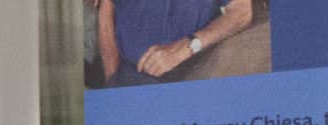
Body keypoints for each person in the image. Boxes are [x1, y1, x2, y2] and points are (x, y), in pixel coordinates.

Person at [96, 0, 256, 87]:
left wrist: (189, 45)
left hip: (199, 74)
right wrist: (112, 79)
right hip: (133, 78)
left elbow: (241, 11)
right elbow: (108, 10)